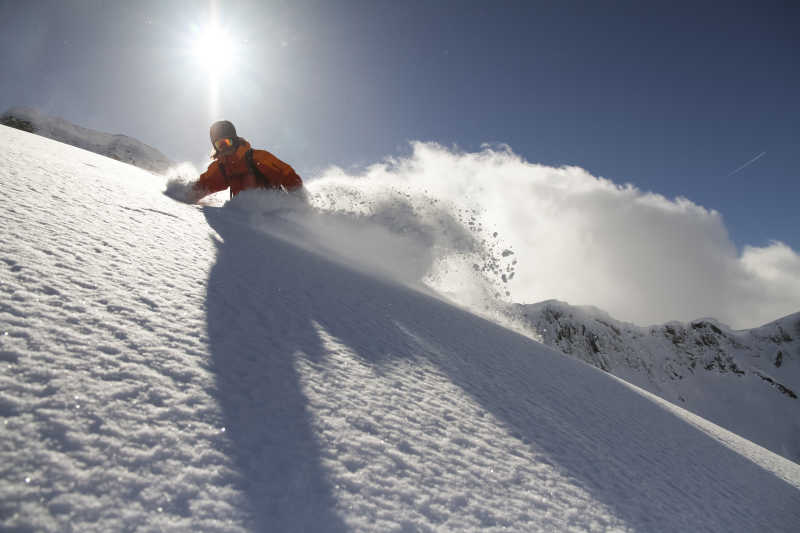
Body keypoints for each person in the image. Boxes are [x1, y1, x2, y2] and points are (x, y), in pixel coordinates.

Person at [191, 120, 303, 202]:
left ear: (235, 140)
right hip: (244, 219)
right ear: (215, 148)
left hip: (273, 212)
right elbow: (205, 184)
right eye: (220, 144)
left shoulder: (256, 157)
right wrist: (186, 194)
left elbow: (286, 175)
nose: (224, 148)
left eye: (227, 142)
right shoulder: (222, 167)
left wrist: (299, 199)